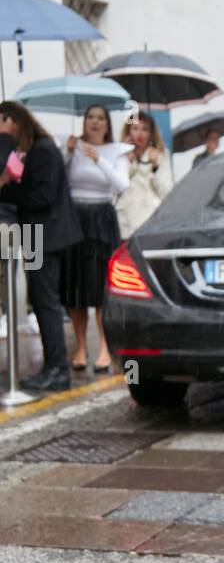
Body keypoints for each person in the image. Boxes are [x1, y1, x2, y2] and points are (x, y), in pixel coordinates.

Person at [0, 100, 83, 390]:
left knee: (45, 301)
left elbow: (43, 197)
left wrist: (9, 189)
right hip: (37, 234)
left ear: (12, 119)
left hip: (44, 235)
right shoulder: (34, 150)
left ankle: (57, 368)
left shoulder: (43, 149)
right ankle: (53, 366)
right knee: (41, 299)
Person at [59, 103, 130, 374]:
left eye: (101, 118)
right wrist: (67, 153)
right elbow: (60, 180)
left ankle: (103, 346)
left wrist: (98, 159)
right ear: (84, 121)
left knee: (100, 286)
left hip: (101, 218)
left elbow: (122, 185)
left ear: (107, 124)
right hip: (74, 217)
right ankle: (80, 347)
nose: (95, 122)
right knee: (75, 286)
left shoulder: (117, 151)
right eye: (90, 117)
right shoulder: (72, 146)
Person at [116, 113, 172, 238]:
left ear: (151, 133)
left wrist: (155, 167)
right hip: (127, 222)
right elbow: (115, 190)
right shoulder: (120, 155)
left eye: (144, 129)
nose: (140, 134)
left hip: (151, 220)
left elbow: (166, 191)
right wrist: (128, 163)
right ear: (128, 131)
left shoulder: (160, 154)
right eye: (135, 128)